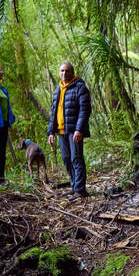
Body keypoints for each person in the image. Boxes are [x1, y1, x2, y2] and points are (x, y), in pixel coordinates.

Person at [48, 61, 91, 198]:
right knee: (67, 159)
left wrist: (79, 130)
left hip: (74, 131)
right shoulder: (58, 89)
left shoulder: (80, 87)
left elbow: (85, 110)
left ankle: (80, 190)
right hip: (61, 131)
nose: (64, 73)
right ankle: (74, 186)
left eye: (67, 71)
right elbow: (53, 112)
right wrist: (51, 132)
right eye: (62, 71)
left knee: (76, 158)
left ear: (72, 72)